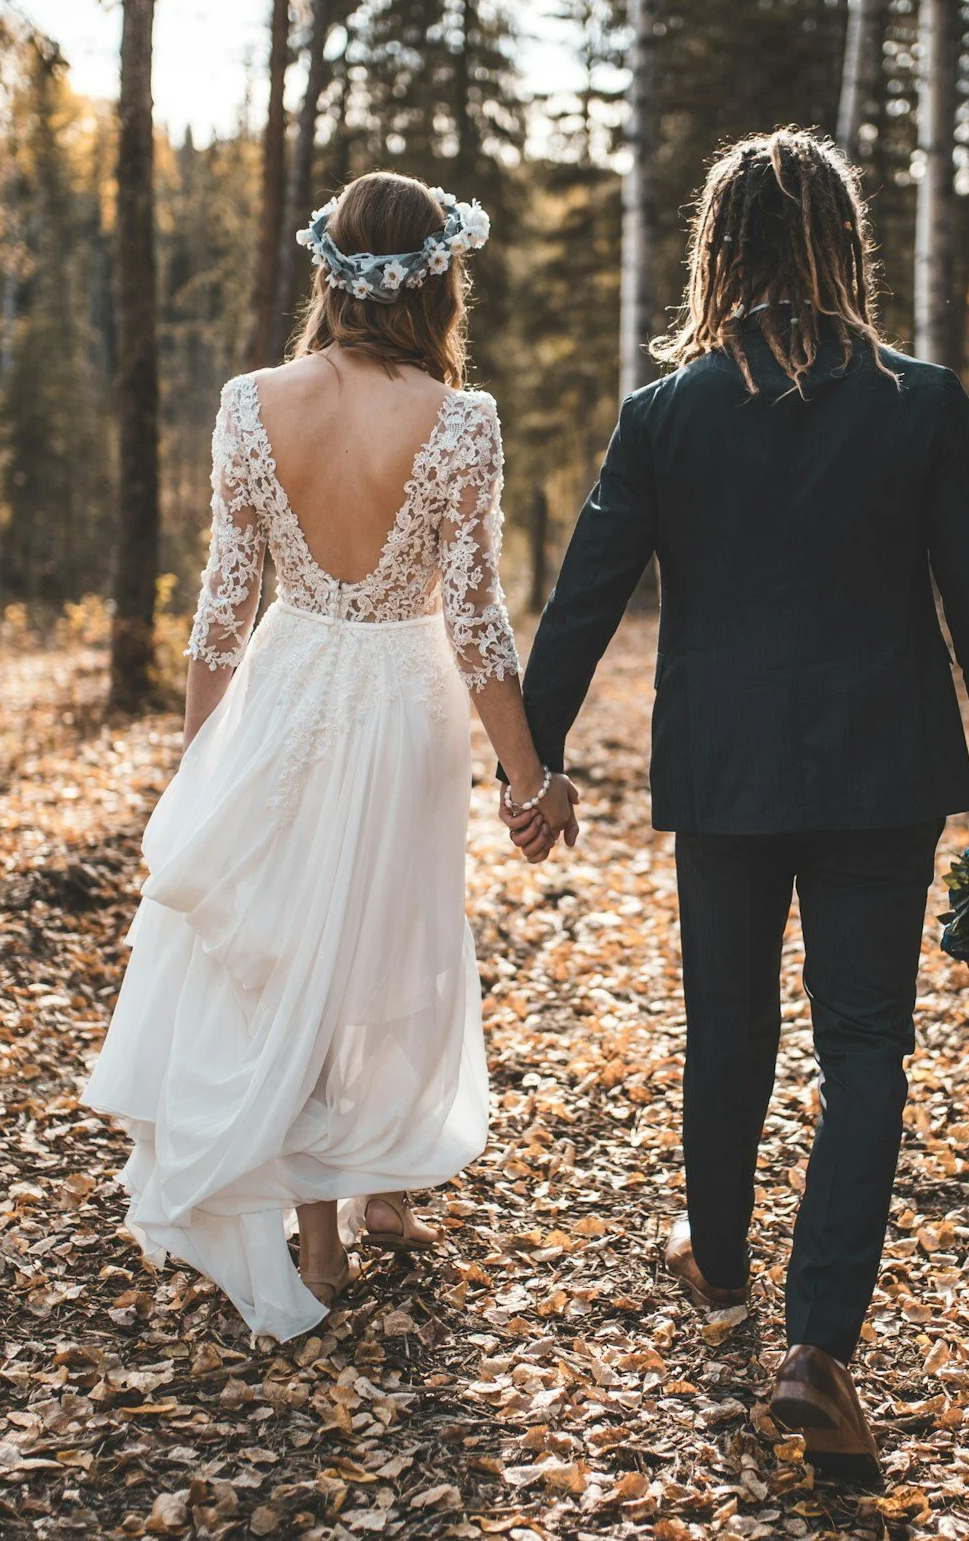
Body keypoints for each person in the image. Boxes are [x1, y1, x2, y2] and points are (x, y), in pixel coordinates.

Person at [514, 129, 969, 1482]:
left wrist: (533, 760)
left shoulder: (666, 415)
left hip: (728, 774)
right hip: (884, 775)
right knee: (868, 1047)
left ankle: (720, 1272)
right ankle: (816, 1344)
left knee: (729, 1025)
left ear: (719, 249)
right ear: (843, 246)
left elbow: (585, 594)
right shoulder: (921, 402)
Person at [81, 172, 576, 1343]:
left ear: (330, 273)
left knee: (295, 932)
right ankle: (379, 1183)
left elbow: (220, 607)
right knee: (392, 930)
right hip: (406, 699)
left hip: (287, 684)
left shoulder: (252, 403)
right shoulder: (461, 422)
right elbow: (477, 624)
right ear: (436, 281)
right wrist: (526, 776)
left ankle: (326, 1220)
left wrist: (208, 763)